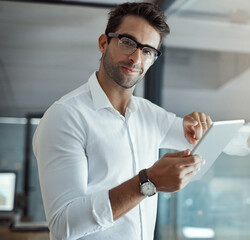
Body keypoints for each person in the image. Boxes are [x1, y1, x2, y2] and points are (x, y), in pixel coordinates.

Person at [32, 2, 212, 239]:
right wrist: (148, 182)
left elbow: (210, 138)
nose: (136, 57)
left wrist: (200, 127)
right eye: (128, 42)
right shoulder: (65, 116)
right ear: (104, 43)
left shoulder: (150, 115)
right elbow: (63, 224)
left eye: (148, 51)